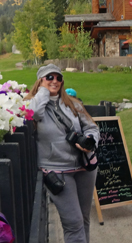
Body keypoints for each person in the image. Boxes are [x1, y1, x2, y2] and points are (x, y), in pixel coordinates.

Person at [26, 64, 99, 243]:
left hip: (84, 167)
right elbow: (34, 113)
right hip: (57, 170)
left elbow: (92, 127)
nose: (55, 81)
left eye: (58, 78)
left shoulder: (72, 103)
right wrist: (44, 92)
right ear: (40, 81)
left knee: (83, 219)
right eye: (49, 77)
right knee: (73, 223)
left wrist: (90, 140)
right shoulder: (33, 103)